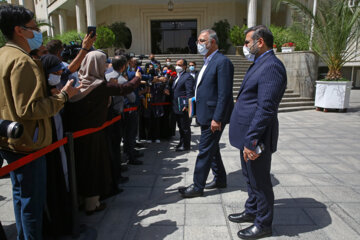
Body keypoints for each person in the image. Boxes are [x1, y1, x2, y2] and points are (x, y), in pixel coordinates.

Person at [0, 4, 80, 239]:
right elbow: (29, 109)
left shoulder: (4, 54)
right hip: (28, 141)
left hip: (11, 139)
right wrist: (64, 96)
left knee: (21, 199)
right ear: (19, 30)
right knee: (32, 204)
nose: (38, 33)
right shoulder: (23, 61)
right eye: (34, 28)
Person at [62, 51, 141, 215]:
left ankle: (80, 199)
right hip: (93, 136)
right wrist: (137, 77)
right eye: (104, 63)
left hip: (75, 137)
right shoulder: (100, 86)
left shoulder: (77, 82)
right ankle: (93, 204)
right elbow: (125, 88)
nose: (106, 66)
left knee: (80, 168)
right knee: (94, 167)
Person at [228, 25, 287, 239]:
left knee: (260, 182)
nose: (245, 46)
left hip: (255, 136)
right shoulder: (259, 62)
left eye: (246, 42)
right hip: (246, 134)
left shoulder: (271, 66)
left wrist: (252, 140)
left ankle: (263, 223)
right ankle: (251, 210)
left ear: (259, 42)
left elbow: (266, 108)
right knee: (249, 177)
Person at [178, 29, 234, 198]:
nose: (199, 44)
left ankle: (197, 186)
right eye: (198, 41)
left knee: (204, 149)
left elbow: (224, 93)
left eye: (202, 41)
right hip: (205, 113)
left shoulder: (222, 62)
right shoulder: (208, 61)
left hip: (213, 116)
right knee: (212, 148)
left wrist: (217, 118)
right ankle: (220, 179)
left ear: (213, 42)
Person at [169, 59, 194, 151]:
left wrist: (187, 105)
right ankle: (181, 142)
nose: (177, 66)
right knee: (180, 126)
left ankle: (186, 145)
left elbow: (189, 92)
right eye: (176, 64)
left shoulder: (188, 77)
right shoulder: (177, 77)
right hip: (176, 106)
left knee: (185, 127)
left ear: (184, 66)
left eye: (179, 65)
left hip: (183, 106)